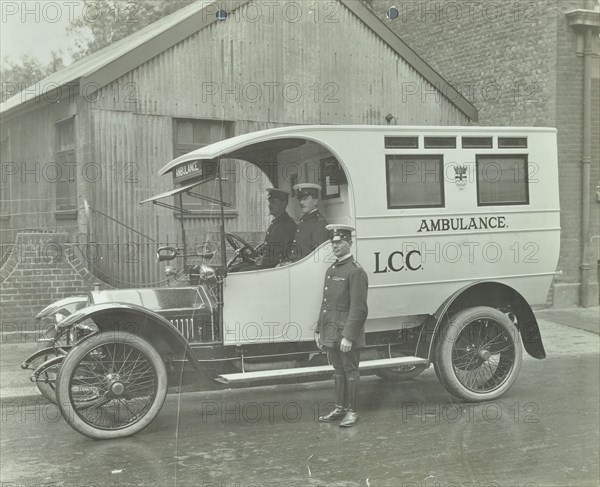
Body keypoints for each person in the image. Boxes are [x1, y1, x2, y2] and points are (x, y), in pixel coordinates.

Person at [315, 224, 368, 427]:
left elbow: (359, 309)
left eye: (340, 242)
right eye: (333, 243)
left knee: (350, 370)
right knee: (338, 370)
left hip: (345, 332)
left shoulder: (356, 272)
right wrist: (319, 330)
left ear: (350, 243)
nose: (335, 246)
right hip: (330, 330)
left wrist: (348, 336)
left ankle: (353, 412)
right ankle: (340, 408)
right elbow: (326, 304)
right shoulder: (332, 269)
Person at [237, 188, 297, 270]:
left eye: (273, 202)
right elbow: (267, 247)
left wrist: (263, 261)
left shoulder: (288, 225)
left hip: (275, 268)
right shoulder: (276, 223)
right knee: (235, 267)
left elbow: (284, 254)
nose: (269, 205)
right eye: (269, 202)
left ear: (283, 203)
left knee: (241, 271)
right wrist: (252, 254)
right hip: (268, 264)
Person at [286, 183, 329, 262]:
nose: (301, 202)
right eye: (300, 199)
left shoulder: (319, 223)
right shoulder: (305, 221)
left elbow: (317, 256)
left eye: (305, 199)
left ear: (315, 201)